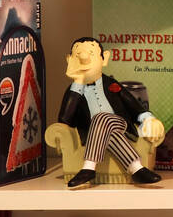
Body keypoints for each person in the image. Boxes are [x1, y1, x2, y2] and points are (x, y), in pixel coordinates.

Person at [59, 36, 165, 188]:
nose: (84, 58)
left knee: (101, 117)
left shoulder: (112, 84)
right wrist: (78, 82)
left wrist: (149, 119)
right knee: (106, 129)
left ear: (104, 59)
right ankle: (137, 169)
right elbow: (65, 120)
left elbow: (134, 106)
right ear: (70, 60)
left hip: (120, 125)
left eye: (91, 53)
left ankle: (88, 168)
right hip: (95, 135)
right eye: (78, 55)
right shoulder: (73, 92)